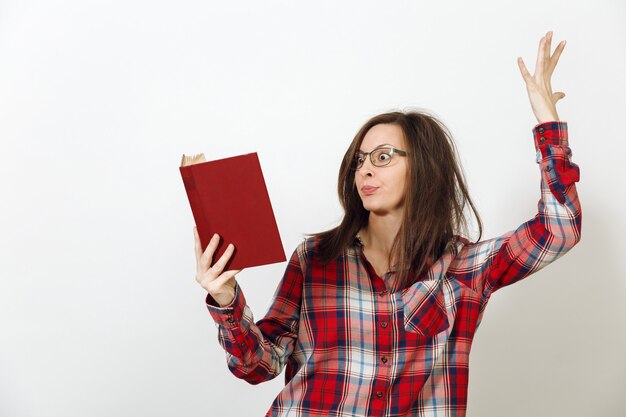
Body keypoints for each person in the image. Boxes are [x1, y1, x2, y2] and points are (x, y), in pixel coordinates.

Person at [192, 30, 581, 417]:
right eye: (359, 160)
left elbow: (558, 231)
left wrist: (548, 126)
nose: (364, 170)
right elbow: (259, 365)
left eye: (382, 157)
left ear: (423, 168)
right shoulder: (314, 258)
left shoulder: (463, 265)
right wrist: (227, 299)